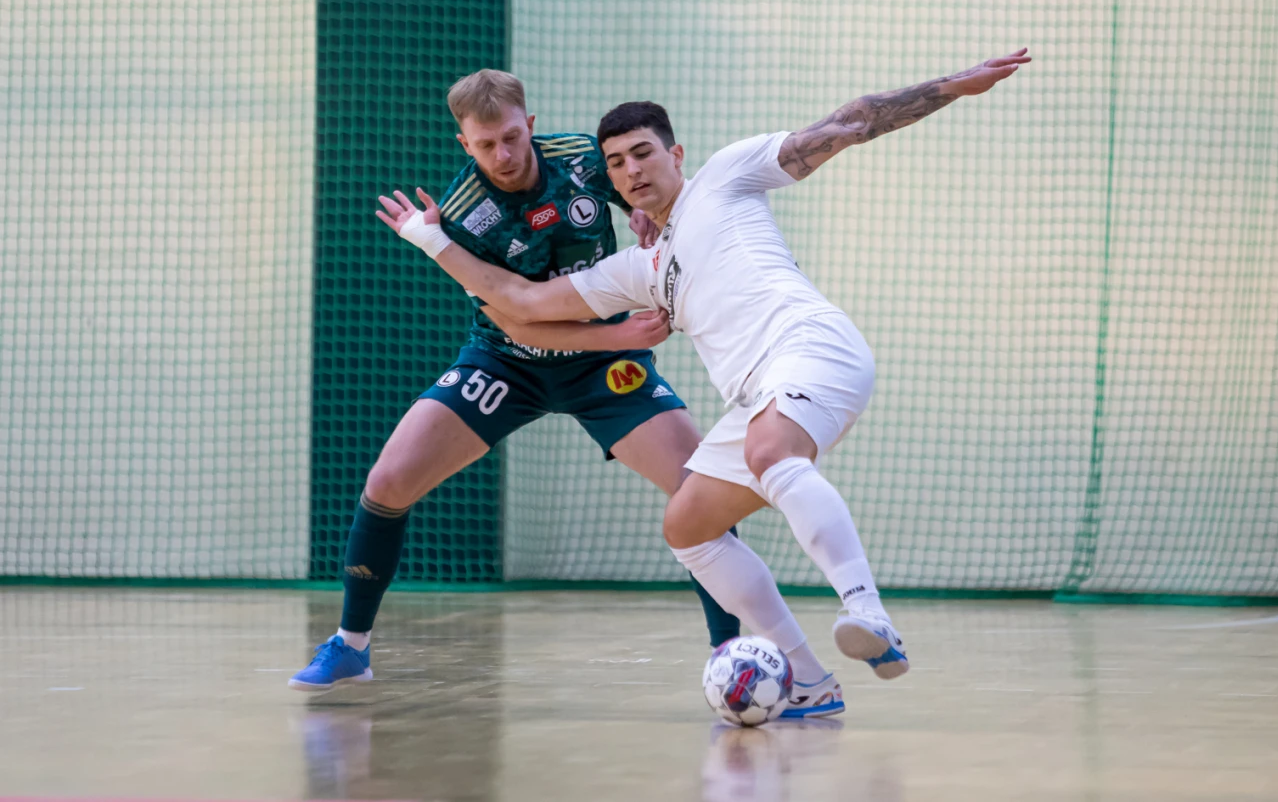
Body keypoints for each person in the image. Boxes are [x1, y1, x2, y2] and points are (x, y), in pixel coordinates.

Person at [382, 49, 1031, 706]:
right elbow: (520, 303)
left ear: (676, 154)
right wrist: (433, 239)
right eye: (616, 163)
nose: (632, 170)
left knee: (769, 452)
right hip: (755, 397)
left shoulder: (726, 176)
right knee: (688, 525)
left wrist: (952, 86)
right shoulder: (638, 269)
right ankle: (809, 682)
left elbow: (849, 123)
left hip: (810, 346)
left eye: (643, 153)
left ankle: (868, 613)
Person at [290, 69, 741, 693]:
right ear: (464, 144)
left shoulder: (583, 158)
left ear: (529, 125)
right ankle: (350, 646)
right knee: (387, 482)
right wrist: (617, 336)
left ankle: (730, 652)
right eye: (485, 145)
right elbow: (516, 316)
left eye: (510, 137)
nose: (502, 155)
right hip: (506, 360)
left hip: (601, 369)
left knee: (700, 489)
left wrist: (648, 220)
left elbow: (648, 199)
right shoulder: (458, 216)